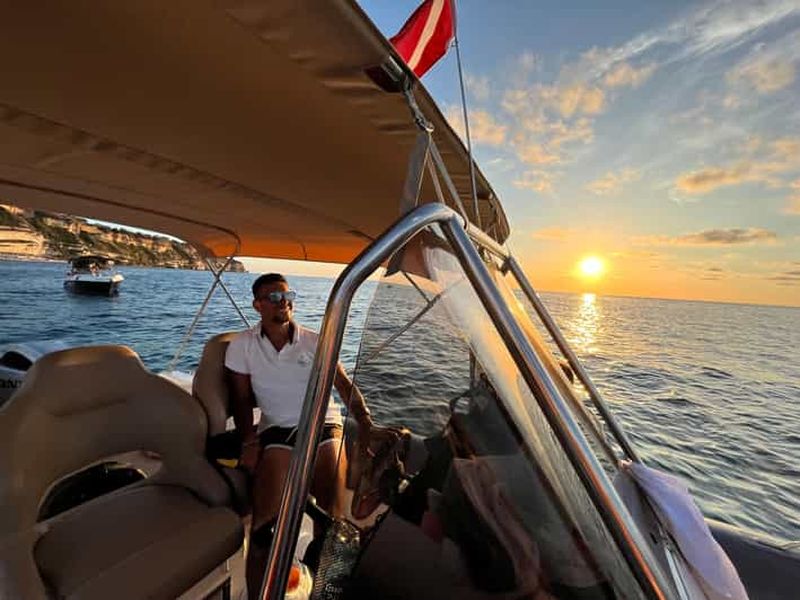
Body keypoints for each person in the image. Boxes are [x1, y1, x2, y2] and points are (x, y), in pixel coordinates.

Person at [224, 273, 372, 598]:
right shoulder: (242, 346)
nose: (285, 302)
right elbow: (240, 399)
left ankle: (325, 588)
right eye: (275, 297)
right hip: (277, 429)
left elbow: (344, 387)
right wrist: (249, 442)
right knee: (264, 526)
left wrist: (366, 423)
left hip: (323, 424)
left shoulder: (315, 340)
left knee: (332, 519)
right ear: (258, 305)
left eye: (288, 295)